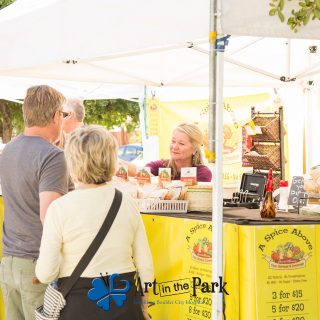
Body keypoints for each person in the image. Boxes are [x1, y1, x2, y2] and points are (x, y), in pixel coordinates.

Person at [36, 125, 154, 320]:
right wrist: (144, 305)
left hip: (78, 308)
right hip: (124, 305)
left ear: (72, 163)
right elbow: (146, 268)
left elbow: (45, 274)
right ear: (112, 161)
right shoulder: (128, 203)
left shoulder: (59, 208)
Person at [0, 85, 70, 320]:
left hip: (9, 261)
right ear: (55, 116)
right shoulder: (52, 155)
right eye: (64, 114)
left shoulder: (8, 150)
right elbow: (49, 215)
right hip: (37, 263)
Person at [146, 123, 212, 181]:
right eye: (173, 141)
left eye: (181, 143)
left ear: (195, 149)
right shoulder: (160, 166)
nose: (175, 147)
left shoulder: (202, 173)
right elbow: (141, 171)